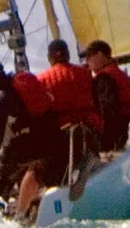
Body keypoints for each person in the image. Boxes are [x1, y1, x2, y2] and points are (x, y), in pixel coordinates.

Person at [0, 58, 54, 222]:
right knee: (28, 171)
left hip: (22, 147)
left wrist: (0, 147)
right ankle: (25, 210)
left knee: (1, 180)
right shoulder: (21, 82)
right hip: (46, 141)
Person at [37, 41, 102, 184]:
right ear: (67, 54)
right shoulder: (85, 73)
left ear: (50, 57)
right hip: (88, 127)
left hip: (61, 132)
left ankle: (59, 181)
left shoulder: (40, 80)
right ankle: (91, 166)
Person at [83, 41, 130, 154]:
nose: (86, 61)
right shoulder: (118, 74)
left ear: (100, 54)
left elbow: (108, 113)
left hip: (115, 138)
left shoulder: (105, 78)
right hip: (126, 131)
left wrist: (105, 147)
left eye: (89, 56)